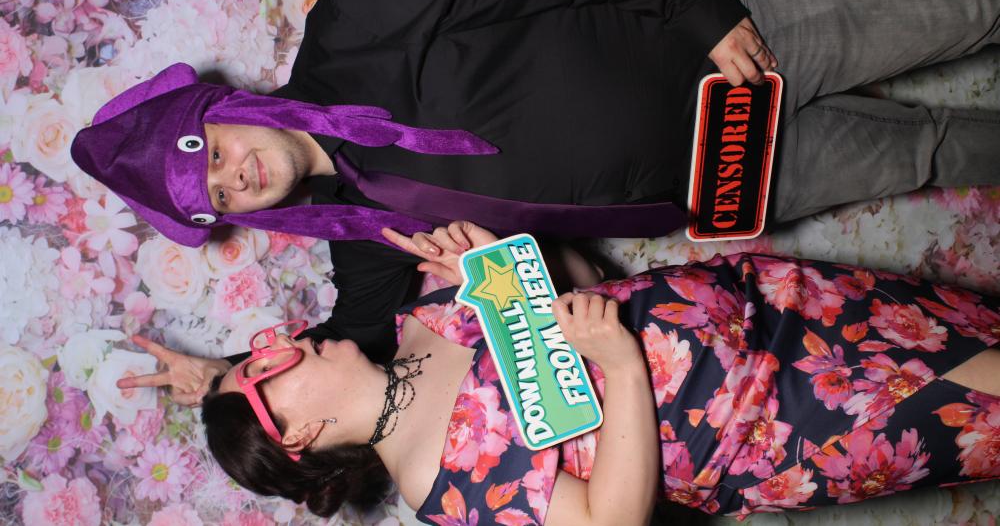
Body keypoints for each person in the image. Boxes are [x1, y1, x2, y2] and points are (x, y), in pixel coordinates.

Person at [72, 0, 1000, 363]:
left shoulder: (351, 26)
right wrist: (226, 377)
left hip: (734, 35)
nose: (235, 178)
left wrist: (699, 9)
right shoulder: (365, 232)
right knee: (935, 151)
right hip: (738, 176)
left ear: (217, 107)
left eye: (211, 155)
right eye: (216, 198)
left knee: (966, 4)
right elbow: (352, 347)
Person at [135, 221, 1000, 522]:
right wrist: (620, 368)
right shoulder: (447, 489)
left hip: (779, 298)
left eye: (266, 345)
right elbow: (613, 520)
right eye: (268, 371)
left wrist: (513, 264)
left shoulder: (421, 316)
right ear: (300, 434)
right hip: (788, 420)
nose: (287, 342)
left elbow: (588, 282)